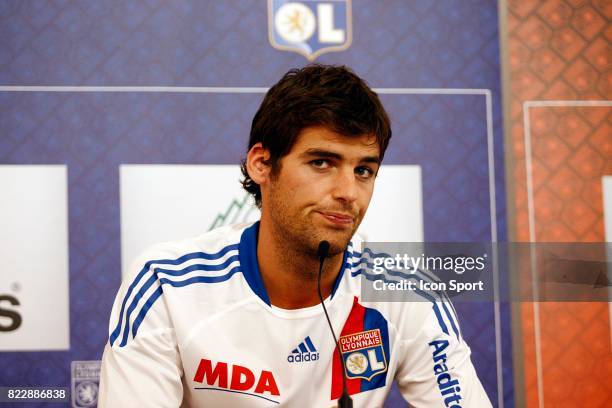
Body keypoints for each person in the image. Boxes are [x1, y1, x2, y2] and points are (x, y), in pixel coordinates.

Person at [99, 64, 492, 407]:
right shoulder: (166, 284)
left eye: (364, 171)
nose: (348, 192)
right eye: (322, 163)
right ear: (262, 164)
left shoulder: (408, 294)